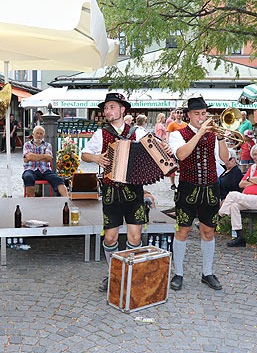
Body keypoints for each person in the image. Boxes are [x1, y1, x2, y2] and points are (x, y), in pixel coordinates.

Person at [82, 93, 157, 292]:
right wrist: (96, 158)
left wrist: (162, 147)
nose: (108, 111)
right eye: (106, 108)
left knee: (134, 238)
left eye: (112, 107)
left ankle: (131, 275)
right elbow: (84, 154)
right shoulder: (101, 133)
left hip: (134, 191)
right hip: (111, 192)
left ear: (123, 109)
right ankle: (114, 274)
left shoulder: (137, 132)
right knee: (110, 238)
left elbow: (155, 149)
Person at [168, 96, 228, 291]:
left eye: (204, 113)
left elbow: (225, 160)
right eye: (197, 114)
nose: (201, 117)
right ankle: (178, 273)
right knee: (182, 230)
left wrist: (220, 138)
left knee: (208, 232)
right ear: (188, 115)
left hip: (210, 188)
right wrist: (200, 132)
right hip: (187, 188)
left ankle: (207, 272)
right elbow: (182, 154)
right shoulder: (178, 133)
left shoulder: (213, 134)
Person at [220, 144, 257, 247]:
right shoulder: (253, 167)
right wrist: (255, 180)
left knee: (232, 195)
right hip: (249, 200)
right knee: (234, 205)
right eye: (255, 155)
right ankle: (240, 237)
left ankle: (217, 218)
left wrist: (250, 179)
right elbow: (241, 184)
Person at [22, 126, 69, 197]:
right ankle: (32, 199)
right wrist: (43, 156)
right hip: (30, 169)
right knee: (28, 177)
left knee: (59, 180)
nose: (38, 135)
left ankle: (66, 200)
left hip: (45, 170)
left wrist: (33, 157)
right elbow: (28, 156)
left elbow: (49, 158)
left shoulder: (47, 145)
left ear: (43, 135)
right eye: (37, 133)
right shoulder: (27, 144)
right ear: (33, 134)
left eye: (41, 134)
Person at [166, 108, 188, 190]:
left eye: (181, 113)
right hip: (173, 148)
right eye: (177, 112)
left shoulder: (185, 124)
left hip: (183, 148)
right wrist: (168, 145)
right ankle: (172, 184)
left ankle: (182, 182)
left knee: (183, 166)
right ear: (175, 114)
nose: (179, 114)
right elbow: (167, 134)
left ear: (183, 114)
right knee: (173, 167)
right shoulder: (172, 124)